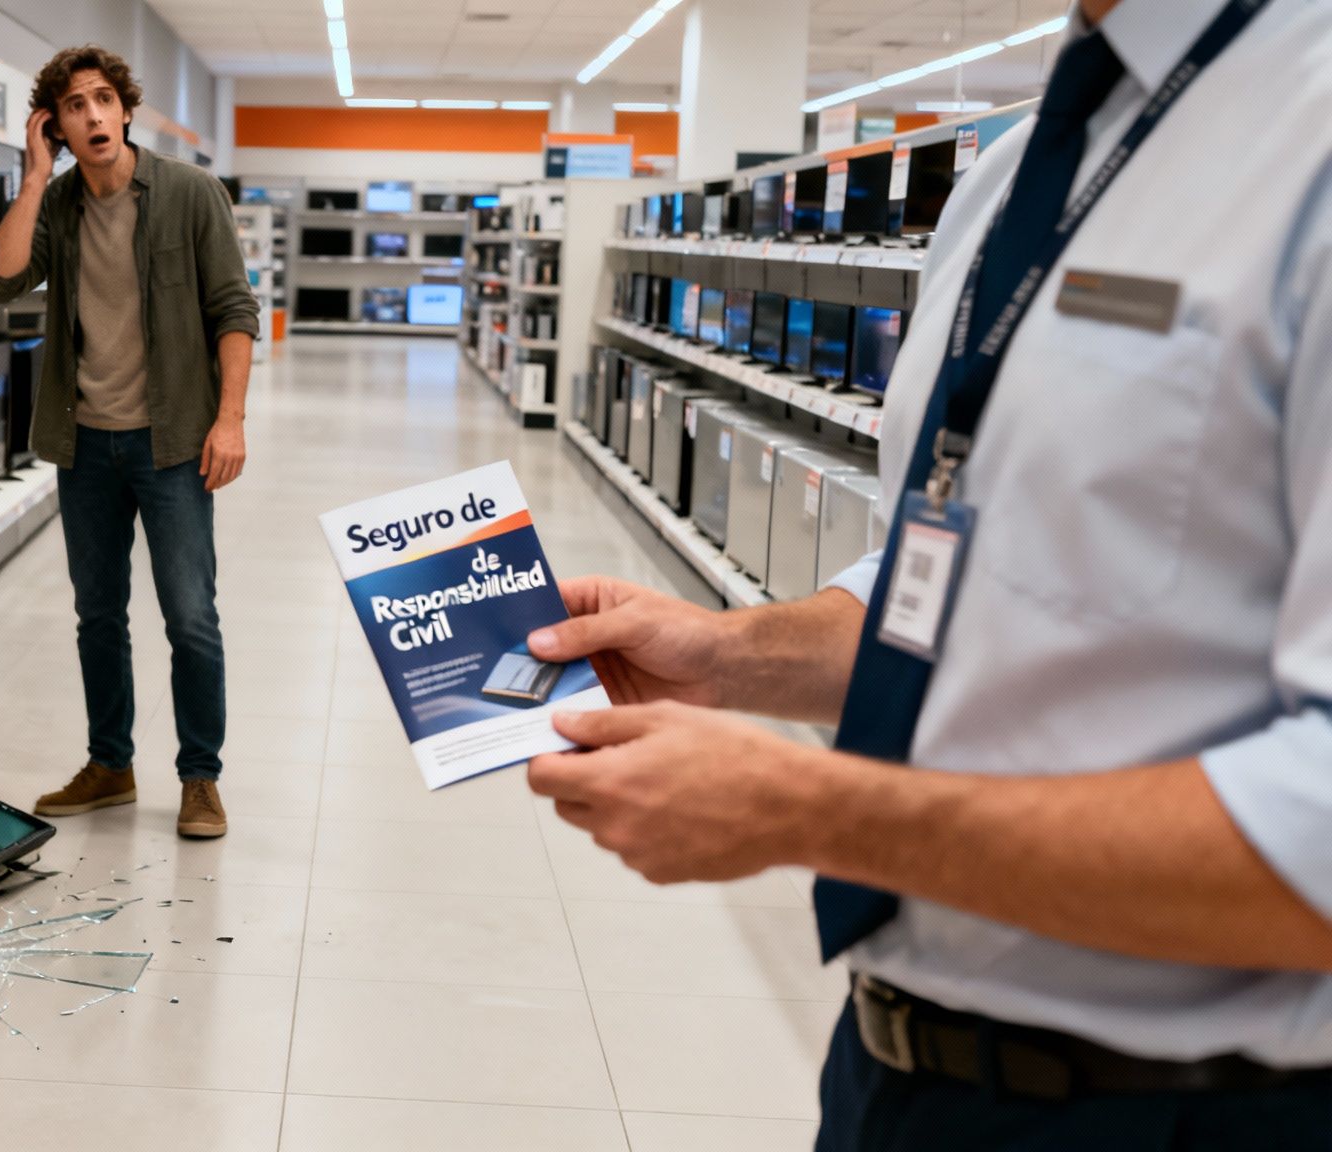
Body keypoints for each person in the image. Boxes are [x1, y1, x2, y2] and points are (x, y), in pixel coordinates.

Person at [525, 0, 1332, 1146]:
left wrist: (814, 812)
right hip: (893, 1070)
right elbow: (966, 568)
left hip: (1197, 1107)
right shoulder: (1008, 180)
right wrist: (733, 655)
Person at [0, 45, 257, 839]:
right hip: (85, 445)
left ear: (126, 108)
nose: (94, 115)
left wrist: (230, 418)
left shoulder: (191, 193)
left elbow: (233, 310)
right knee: (98, 613)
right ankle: (111, 764)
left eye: (104, 99)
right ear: (56, 125)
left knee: (190, 616)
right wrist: (34, 178)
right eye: (74, 106)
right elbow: (0, 280)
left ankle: (200, 778)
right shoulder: (59, 205)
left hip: (171, 443)